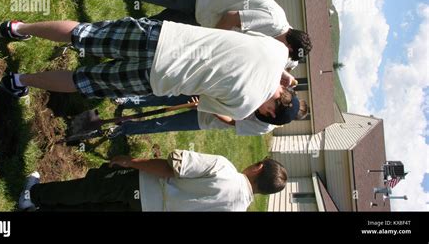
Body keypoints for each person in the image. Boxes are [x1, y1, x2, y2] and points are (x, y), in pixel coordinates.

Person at [0, 17, 291, 123]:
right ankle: (19, 80)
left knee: (84, 34)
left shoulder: (280, 52)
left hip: (165, 37)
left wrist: (281, 70)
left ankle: (17, 28)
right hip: (158, 78)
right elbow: (201, 100)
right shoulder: (243, 108)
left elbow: (255, 42)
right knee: (83, 81)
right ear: (268, 112)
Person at [59, 0, 312, 62]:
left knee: (143, 32)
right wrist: (212, 42)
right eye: (287, 53)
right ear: (289, 44)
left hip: (200, 17)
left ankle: (82, 37)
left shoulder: (274, 36)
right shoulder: (274, 21)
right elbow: (232, 17)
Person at [18, 149, 288, 211]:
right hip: (147, 210)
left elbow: (172, 168)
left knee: (89, 190)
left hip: (139, 185)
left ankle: (33, 197)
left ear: (258, 167)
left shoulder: (225, 168)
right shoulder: (237, 210)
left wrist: (131, 162)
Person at [108, 90, 308, 137]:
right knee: (166, 97)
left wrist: (208, 107)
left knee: (163, 124)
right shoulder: (273, 92)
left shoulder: (264, 126)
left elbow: (232, 122)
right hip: (208, 91)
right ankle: (128, 100)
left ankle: (123, 129)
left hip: (204, 116)